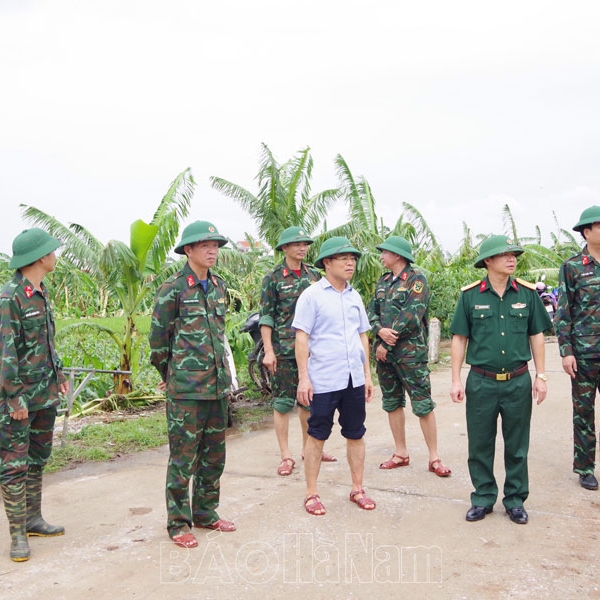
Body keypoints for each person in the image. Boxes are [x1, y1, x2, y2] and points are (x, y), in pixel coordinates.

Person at [450, 235, 551, 525]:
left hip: (517, 381)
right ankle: (482, 497)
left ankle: (515, 499)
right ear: (488, 261)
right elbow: (459, 338)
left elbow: (537, 336)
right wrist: (456, 379)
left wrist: (541, 376)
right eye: (504, 255)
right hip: (481, 381)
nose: (512, 259)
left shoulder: (527, 294)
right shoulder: (470, 296)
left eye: (514, 254)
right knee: (480, 443)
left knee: (517, 444)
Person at [149, 220, 235, 549]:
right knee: (183, 459)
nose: (212, 250)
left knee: (214, 456)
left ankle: (206, 512)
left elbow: (220, 337)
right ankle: (178, 522)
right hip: (185, 390)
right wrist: (171, 375)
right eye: (205, 245)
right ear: (188, 250)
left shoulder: (219, 286)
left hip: (217, 387)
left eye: (215, 245)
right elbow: (158, 340)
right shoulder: (172, 288)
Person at [0, 228, 69, 562]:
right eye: (52, 251)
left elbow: (46, 340)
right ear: (41, 257)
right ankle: (16, 537)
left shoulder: (41, 292)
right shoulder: (10, 296)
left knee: (38, 459)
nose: (56, 255)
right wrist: (13, 398)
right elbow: (5, 351)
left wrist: (60, 375)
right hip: (20, 401)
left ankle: (32, 519)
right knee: (14, 466)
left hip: (45, 394)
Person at [293, 236, 375, 516]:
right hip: (324, 379)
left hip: (353, 379)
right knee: (317, 435)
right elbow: (301, 338)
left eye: (353, 258)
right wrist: (304, 378)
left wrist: (367, 374)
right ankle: (311, 493)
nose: (350, 262)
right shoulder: (312, 296)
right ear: (327, 263)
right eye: (343, 258)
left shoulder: (354, 296)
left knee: (356, 434)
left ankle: (358, 488)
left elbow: (362, 335)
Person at [367, 235, 451, 476]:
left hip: (410, 354)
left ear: (398, 255)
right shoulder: (382, 282)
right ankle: (400, 452)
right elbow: (370, 312)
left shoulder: (417, 280)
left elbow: (410, 316)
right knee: (392, 402)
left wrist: (386, 343)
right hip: (385, 356)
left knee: (423, 403)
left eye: (385, 252)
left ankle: (434, 458)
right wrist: (379, 330)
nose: (381, 256)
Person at [259, 226, 336, 476]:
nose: (302, 248)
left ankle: (308, 449)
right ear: (284, 248)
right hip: (284, 350)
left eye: (305, 244)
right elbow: (266, 317)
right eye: (296, 244)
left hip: (313, 351)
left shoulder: (315, 275)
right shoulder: (273, 278)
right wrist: (268, 351)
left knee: (308, 402)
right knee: (282, 403)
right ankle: (285, 456)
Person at [555, 206, 600, 491]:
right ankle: (585, 468)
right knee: (583, 411)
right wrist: (566, 351)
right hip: (584, 353)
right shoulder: (572, 267)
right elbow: (563, 312)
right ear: (586, 231)